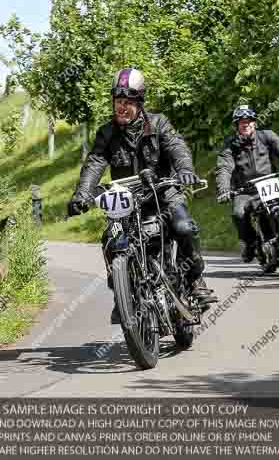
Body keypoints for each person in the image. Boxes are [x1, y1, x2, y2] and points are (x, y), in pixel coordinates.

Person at [67, 67, 219, 324]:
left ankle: (194, 281)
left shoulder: (159, 124)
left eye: (128, 102)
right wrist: (82, 194)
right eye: (118, 102)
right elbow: (94, 162)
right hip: (126, 198)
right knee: (110, 240)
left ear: (139, 102)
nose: (121, 107)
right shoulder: (107, 133)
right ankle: (123, 296)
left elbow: (177, 147)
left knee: (184, 228)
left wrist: (185, 171)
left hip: (163, 191)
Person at [215, 99, 279, 264]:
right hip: (246, 190)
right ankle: (250, 242)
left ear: (254, 123)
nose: (245, 125)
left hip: (271, 184)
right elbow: (224, 168)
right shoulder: (231, 145)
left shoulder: (267, 136)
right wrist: (224, 188)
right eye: (241, 123)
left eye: (248, 122)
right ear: (236, 126)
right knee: (238, 213)